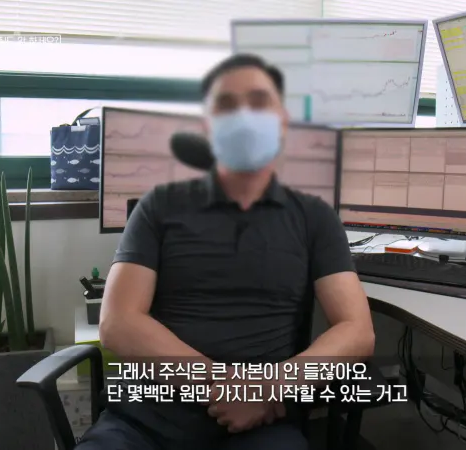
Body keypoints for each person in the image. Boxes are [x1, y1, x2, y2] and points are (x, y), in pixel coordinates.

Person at [79, 54, 375, 450]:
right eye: (227, 105)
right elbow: (117, 322)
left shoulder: (315, 217)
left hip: (261, 424)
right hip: (144, 421)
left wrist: (269, 387)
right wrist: (220, 384)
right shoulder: (158, 207)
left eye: (259, 103)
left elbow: (357, 331)